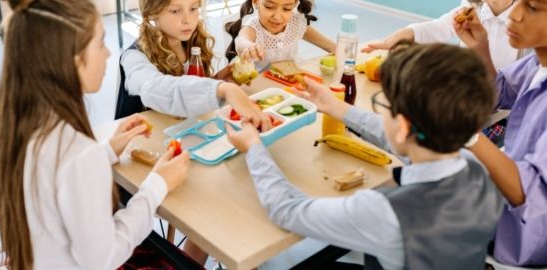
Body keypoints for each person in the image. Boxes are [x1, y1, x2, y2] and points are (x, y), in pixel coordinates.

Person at [226, 42, 504, 269]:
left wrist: (254, 147)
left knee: (269, 257)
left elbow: (286, 210)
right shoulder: (474, 168)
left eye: (385, 104)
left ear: (404, 124)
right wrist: (337, 108)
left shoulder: (384, 212)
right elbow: (403, 139)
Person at [0, 0, 193, 269]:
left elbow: (58, 180)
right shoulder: (79, 153)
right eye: (100, 43)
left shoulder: (21, 126)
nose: (109, 54)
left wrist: (106, 151)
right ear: (71, 59)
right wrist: (158, 184)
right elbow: (103, 258)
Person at [455, 0, 547, 266]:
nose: (514, 15)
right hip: (503, 203)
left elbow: (527, 194)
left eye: (532, 7)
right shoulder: (536, 64)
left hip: (522, 235)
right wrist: (480, 48)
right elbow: (498, 90)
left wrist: (468, 134)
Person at [121, 0, 271, 131]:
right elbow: (157, 88)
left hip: (183, 132)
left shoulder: (190, 42)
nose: (188, 20)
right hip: (144, 139)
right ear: (151, 13)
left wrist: (216, 81)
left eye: (193, 8)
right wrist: (221, 89)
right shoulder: (133, 57)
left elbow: (189, 93)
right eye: (175, 11)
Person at [362, 0, 520, 69]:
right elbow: (440, 27)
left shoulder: (526, 21)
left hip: (499, 111)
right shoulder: (472, 7)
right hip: (466, 92)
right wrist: (406, 33)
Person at [224, 0, 335, 69]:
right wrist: (248, 46)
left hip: (289, 82)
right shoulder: (253, 27)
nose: (277, 17)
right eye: (269, 6)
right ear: (256, 2)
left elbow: (329, 45)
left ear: (295, 4)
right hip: (260, 86)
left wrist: (335, 48)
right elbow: (241, 40)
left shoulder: (296, 22)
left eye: (286, 8)